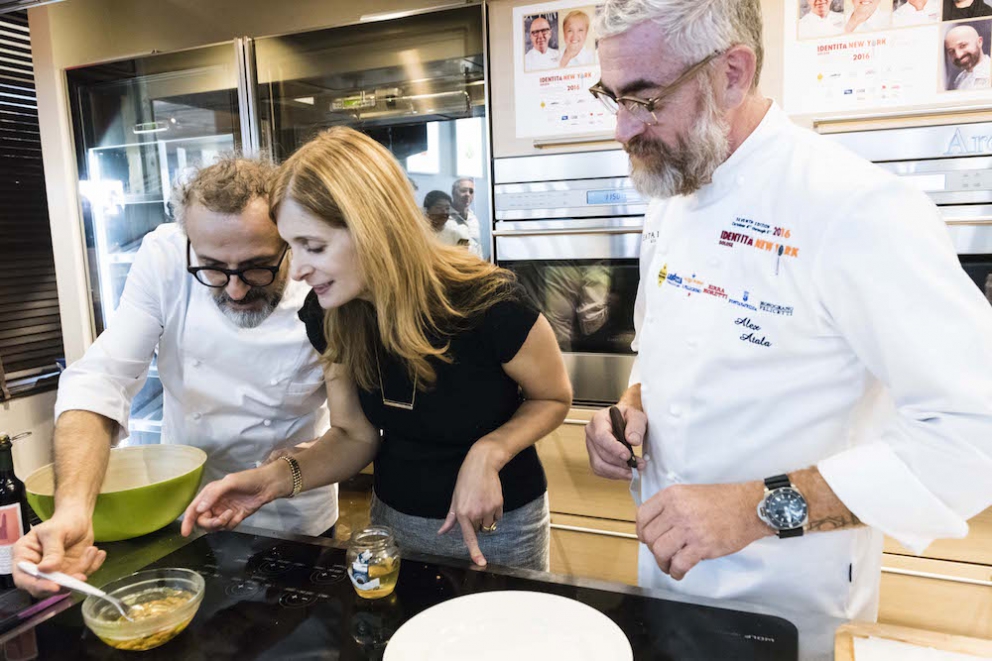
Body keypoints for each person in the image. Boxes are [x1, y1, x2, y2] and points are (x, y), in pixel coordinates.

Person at [585, 0, 992, 621]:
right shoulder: (672, 185)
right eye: (612, 97)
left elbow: (973, 430)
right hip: (668, 578)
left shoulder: (853, 207)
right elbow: (662, 346)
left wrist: (752, 509)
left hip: (794, 603)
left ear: (732, 73)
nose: (621, 129)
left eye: (644, 99)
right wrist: (631, 407)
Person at [181, 127, 573, 572]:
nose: (299, 270)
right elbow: (354, 436)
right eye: (292, 247)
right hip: (393, 522)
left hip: (498, 525)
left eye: (314, 247)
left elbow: (553, 397)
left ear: (374, 228)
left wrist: (490, 450)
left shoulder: (489, 303)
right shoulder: (330, 315)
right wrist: (270, 481)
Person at [12, 158, 339, 597]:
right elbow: (100, 379)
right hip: (186, 511)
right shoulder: (164, 257)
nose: (235, 289)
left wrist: (309, 454)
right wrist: (73, 509)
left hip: (294, 511)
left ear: (290, 241)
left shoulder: (322, 276)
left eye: (258, 266)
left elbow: (360, 422)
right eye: (213, 267)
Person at [945, 24, 992, 90]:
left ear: (979, 42)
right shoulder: (959, 79)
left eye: (963, 46)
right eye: (951, 51)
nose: (958, 55)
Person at [449, 177, 482, 256]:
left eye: (471, 191)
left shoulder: (473, 218)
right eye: (463, 190)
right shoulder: (444, 218)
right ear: (453, 193)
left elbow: (477, 246)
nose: (468, 194)